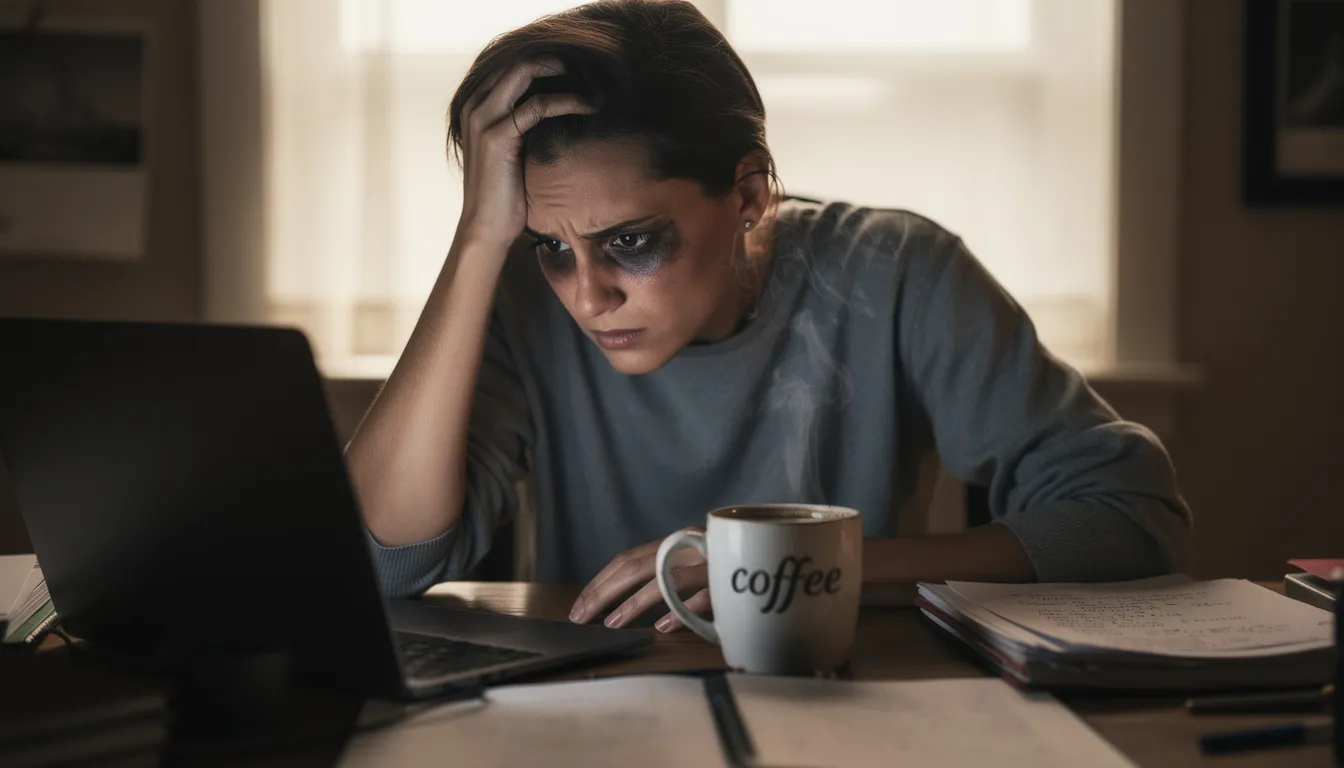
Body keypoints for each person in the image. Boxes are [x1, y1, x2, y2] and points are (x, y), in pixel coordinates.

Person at [345, 0, 1190, 633]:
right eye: (550, 247)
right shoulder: (520, 300)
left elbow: (1128, 518)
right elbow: (380, 564)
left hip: (853, 704)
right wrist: (476, 241)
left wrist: (790, 567)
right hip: (587, 718)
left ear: (749, 194)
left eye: (632, 241)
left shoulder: (897, 273)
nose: (588, 295)